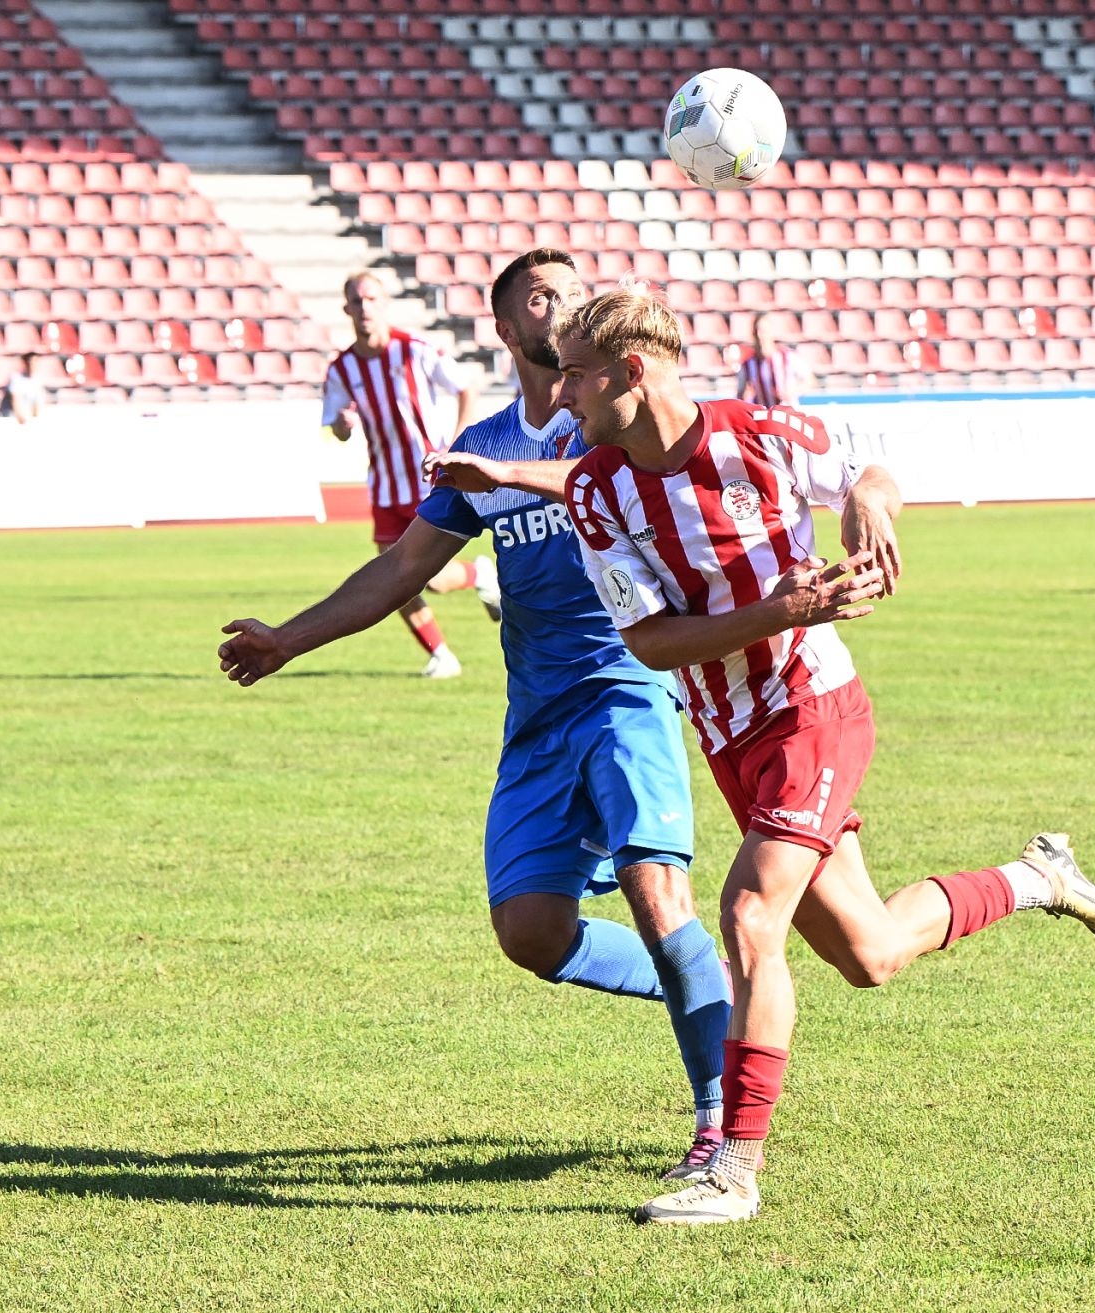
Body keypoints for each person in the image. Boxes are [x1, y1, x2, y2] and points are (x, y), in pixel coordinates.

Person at [553, 290, 1095, 1225]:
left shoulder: (761, 434)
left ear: (631, 371)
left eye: (574, 374)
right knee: (870, 951)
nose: (560, 394)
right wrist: (781, 608)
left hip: (812, 706)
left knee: (750, 914)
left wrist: (867, 497)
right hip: (730, 732)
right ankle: (1039, 877)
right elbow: (652, 642)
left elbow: (868, 468)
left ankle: (733, 1170)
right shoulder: (594, 489)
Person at [223, 251, 734, 1180]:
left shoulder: (610, 421)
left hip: (626, 685)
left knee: (658, 892)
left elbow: (614, 473)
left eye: (571, 287)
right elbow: (401, 566)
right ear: (505, 329)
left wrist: (502, 474)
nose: (562, 301)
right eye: (540, 295)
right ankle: (702, 979)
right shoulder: (486, 443)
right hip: (537, 716)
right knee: (530, 931)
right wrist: (288, 639)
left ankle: (718, 1126)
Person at [323, 269, 495, 679]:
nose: (365, 308)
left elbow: (466, 387)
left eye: (371, 299)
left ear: (384, 304)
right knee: (390, 577)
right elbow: (337, 427)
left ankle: (479, 574)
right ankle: (440, 654)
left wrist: (456, 444)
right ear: (346, 308)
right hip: (385, 486)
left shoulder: (414, 350)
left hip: (426, 480)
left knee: (429, 578)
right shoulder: (342, 370)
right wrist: (343, 426)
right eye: (357, 301)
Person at [734, 320, 803, 409]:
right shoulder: (747, 364)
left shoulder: (788, 357)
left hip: (786, 412)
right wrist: (746, 396)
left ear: (771, 333)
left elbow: (809, 380)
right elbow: (740, 393)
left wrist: (793, 392)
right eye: (757, 332)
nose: (760, 336)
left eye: (763, 331)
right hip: (762, 414)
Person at [0, 354, 44, 424]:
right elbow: (16, 402)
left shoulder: (37, 380)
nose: (33, 365)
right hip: (9, 418)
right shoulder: (16, 379)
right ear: (24, 363)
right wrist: (22, 422)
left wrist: (35, 421)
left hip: (24, 418)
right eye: (30, 363)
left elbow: (36, 405)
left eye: (35, 363)